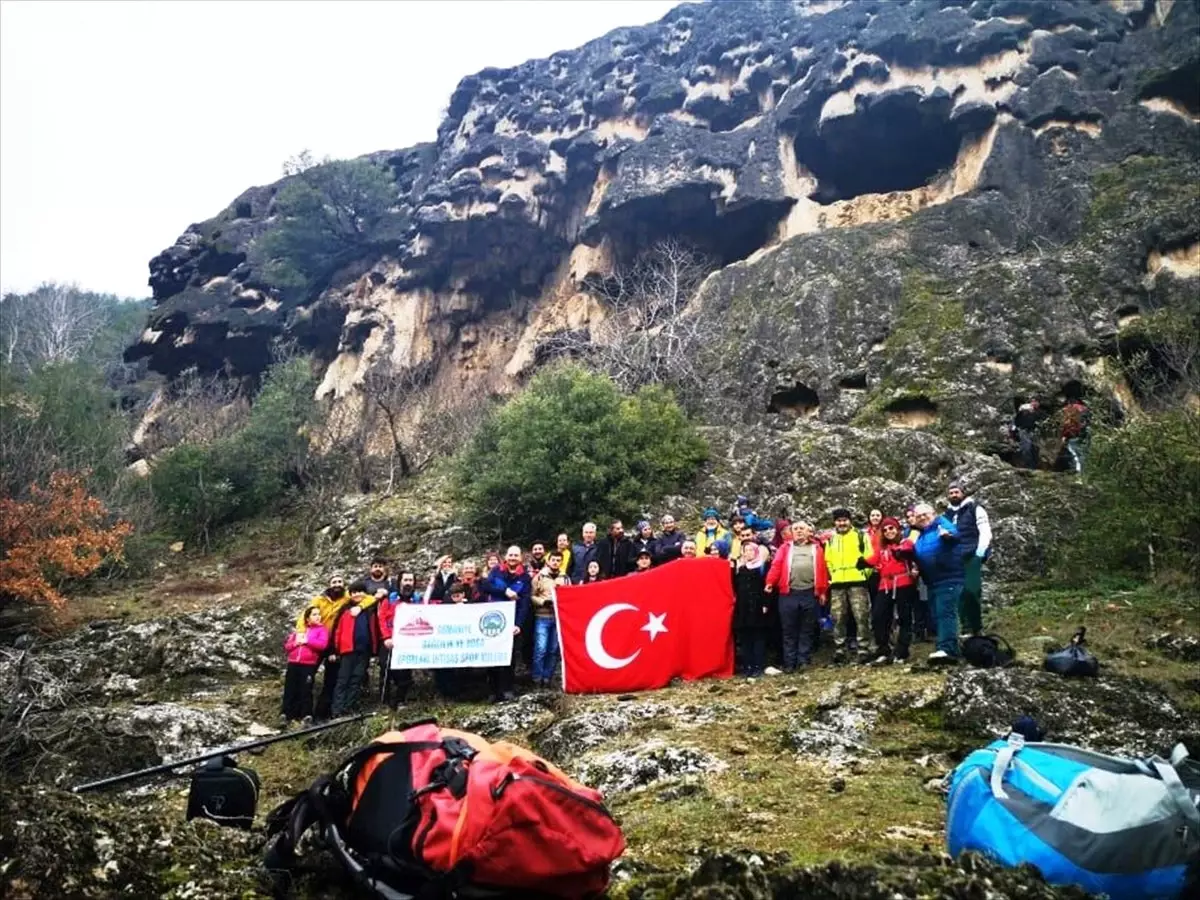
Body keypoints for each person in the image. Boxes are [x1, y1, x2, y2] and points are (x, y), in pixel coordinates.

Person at [764, 522, 829, 671]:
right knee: (789, 629)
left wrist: (823, 591)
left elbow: (822, 570)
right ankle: (789, 662)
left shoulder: (817, 548)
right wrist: (770, 582)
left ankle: (803, 661)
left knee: (807, 628)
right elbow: (777, 565)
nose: (799, 531)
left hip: (810, 593)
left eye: (802, 529)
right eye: (796, 529)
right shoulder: (785, 548)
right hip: (788, 593)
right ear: (791, 532)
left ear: (809, 532)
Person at [910, 501, 963, 663]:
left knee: (945, 612)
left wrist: (948, 536)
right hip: (932, 581)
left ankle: (947, 649)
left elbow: (955, 535)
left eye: (925, 514)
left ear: (933, 514)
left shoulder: (941, 524)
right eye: (918, 516)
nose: (922, 518)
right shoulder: (921, 534)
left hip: (949, 578)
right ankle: (947, 646)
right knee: (937, 615)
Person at [481, 546, 531, 702]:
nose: (513, 558)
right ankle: (492, 691)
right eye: (510, 555)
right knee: (492, 657)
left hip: (512, 622)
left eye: (516, 555)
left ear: (521, 558)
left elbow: (525, 603)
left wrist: (519, 624)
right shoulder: (496, 571)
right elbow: (486, 587)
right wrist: (505, 591)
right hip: (494, 621)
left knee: (510, 658)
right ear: (506, 556)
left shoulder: (525, 578)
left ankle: (507, 689)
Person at [864, 517, 917, 664]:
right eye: (885, 530)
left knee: (904, 617)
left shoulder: (904, 542)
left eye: (891, 528)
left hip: (903, 582)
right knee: (878, 616)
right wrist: (863, 561)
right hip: (885, 585)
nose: (888, 532)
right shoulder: (882, 548)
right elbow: (874, 558)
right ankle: (883, 649)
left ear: (898, 529)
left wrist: (901, 552)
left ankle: (902, 651)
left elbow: (908, 549)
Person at [824, 508, 873, 663]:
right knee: (837, 618)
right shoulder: (831, 540)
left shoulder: (860, 536)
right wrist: (833, 575)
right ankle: (840, 650)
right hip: (838, 584)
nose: (842, 523)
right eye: (839, 520)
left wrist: (864, 574)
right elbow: (828, 560)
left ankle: (863, 649)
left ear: (850, 521)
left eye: (844, 520)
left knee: (861, 616)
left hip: (857, 582)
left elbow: (869, 557)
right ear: (835, 522)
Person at [301, 574, 353, 722]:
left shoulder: (347, 599)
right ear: (329, 585)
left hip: (334, 645)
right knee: (307, 677)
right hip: (316, 642)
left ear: (344, 584)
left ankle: (322, 713)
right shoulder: (319, 600)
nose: (337, 584)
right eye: (334, 582)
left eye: (340, 581)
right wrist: (301, 634)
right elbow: (304, 616)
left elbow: (366, 599)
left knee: (331, 680)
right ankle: (305, 712)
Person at [945, 481, 992, 639]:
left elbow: (985, 532)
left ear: (963, 493)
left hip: (972, 555)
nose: (954, 495)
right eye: (951, 493)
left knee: (972, 590)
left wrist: (979, 553)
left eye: (956, 492)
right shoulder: (946, 515)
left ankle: (977, 627)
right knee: (960, 594)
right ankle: (966, 628)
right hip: (954, 559)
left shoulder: (975, 508)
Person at [329, 584, 380, 716]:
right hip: (347, 650)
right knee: (343, 680)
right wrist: (334, 650)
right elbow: (336, 630)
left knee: (356, 680)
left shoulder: (370, 608)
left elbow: (374, 597)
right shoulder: (345, 609)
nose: (357, 594)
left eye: (360, 592)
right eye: (354, 592)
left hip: (364, 650)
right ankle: (337, 710)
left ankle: (349, 708)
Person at [281, 605, 329, 723]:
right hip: (293, 662)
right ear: (307, 618)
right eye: (314, 614)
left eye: (319, 614)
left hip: (308, 664)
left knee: (306, 689)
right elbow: (287, 647)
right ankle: (286, 714)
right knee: (290, 688)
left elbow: (322, 645)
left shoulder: (322, 630)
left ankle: (306, 714)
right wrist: (296, 643)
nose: (318, 617)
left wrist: (308, 641)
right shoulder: (299, 630)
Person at [377, 572, 418, 707]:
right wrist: (386, 637)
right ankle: (384, 701)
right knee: (385, 669)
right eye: (405, 580)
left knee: (405, 671)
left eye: (410, 580)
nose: (408, 583)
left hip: (408, 641)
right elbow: (382, 618)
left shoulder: (417, 599)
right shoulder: (389, 599)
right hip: (389, 640)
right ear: (400, 582)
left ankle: (400, 700)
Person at [732, 539, 772, 676]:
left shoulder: (763, 567)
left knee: (758, 637)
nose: (748, 553)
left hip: (758, 607)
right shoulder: (741, 569)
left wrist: (766, 604)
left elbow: (768, 588)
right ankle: (747, 665)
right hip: (743, 608)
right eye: (745, 550)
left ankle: (758, 665)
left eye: (751, 550)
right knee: (745, 638)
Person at [531, 550, 569, 688]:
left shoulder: (565, 578)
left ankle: (547, 677)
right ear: (548, 560)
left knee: (553, 649)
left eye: (558, 560)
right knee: (541, 648)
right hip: (542, 616)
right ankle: (537, 677)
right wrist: (542, 602)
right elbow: (532, 596)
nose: (555, 562)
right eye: (553, 559)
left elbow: (570, 595)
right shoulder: (539, 577)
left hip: (558, 618)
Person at [1060, 396, 1091, 473]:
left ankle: (1079, 471)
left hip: (1073, 436)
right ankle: (1084, 472)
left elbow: (1066, 425)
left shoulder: (1068, 410)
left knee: (1076, 455)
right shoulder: (1085, 409)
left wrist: (1064, 436)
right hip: (1084, 435)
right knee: (1083, 454)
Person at [1011, 397, 1043, 469]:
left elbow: (1042, 420)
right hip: (1024, 431)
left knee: (1035, 449)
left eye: (1036, 401)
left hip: (1034, 432)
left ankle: (1034, 466)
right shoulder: (1024, 410)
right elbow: (1016, 420)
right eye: (1033, 401)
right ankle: (1028, 466)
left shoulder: (1039, 412)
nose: (1034, 403)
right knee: (1026, 448)